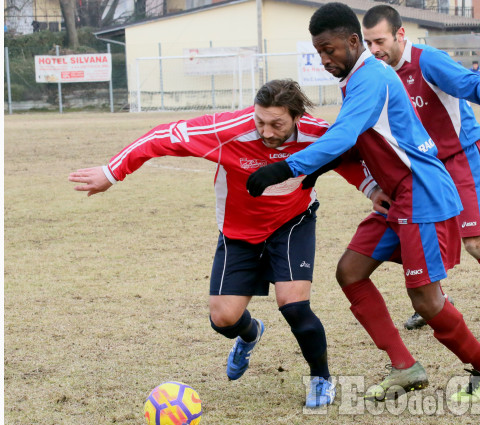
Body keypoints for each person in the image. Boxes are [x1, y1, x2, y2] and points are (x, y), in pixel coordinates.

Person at [246, 2, 480, 403]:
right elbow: (353, 139)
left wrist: (288, 168)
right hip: (397, 198)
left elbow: (346, 132)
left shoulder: (371, 77)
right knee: (350, 272)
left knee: (425, 299)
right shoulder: (358, 77)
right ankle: (405, 366)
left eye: (329, 49)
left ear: (353, 42)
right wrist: (319, 169)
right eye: (318, 51)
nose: (324, 59)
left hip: (420, 193)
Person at [68, 79, 383, 408]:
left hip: (292, 222)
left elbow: (345, 157)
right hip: (238, 232)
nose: (266, 131)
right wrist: (112, 171)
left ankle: (320, 378)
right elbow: (160, 136)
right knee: (223, 318)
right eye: (260, 121)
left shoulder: (317, 134)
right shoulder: (229, 130)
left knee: (294, 306)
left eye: (277, 124)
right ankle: (250, 333)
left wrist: (372, 189)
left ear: (296, 117)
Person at [361, 4, 480, 343]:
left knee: (475, 242)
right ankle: (435, 302)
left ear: (400, 35)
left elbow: (471, 83)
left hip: (460, 157)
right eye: (368, 43)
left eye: (379, 41)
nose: (373, 50)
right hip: (425, 168)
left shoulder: (427, 61)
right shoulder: (377, 73)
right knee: (420, 236)